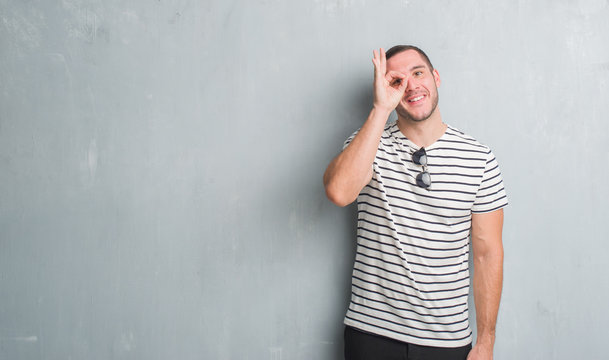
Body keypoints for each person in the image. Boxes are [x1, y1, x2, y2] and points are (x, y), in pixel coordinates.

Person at [323, 45, 508, 360]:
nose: (411, 86)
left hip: (447, 340)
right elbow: (339, 192)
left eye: (418, 73)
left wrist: (486, 342)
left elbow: (487, 255)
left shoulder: (480, 158)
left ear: (435, 77)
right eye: (397, 80)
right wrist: (381, 109)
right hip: (372, 333)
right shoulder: (367, 144)